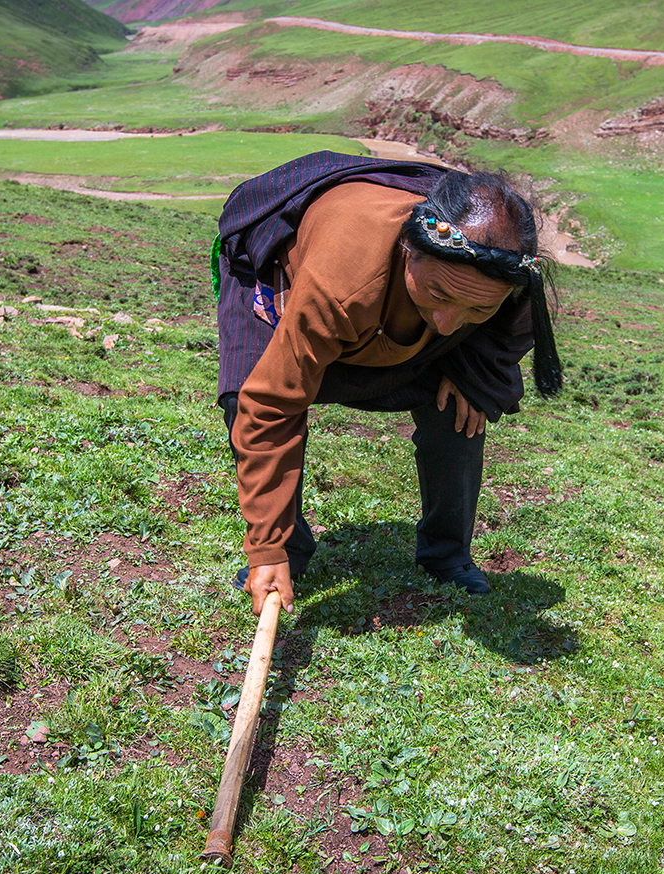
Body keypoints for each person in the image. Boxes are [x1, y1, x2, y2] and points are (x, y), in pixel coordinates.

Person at [213, 151, 562, 616]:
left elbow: (506, 327)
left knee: (461, 404)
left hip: (384, 327)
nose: (447, 321)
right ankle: (287, 552)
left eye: (477, 309)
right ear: (409, 249)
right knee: (248, 394)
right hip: (289, 297)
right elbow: (273, 404)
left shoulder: (501, 281)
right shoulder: (341, 282)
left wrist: (474, 371)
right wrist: (266, 548)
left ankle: (447, 552)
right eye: (439, 293)